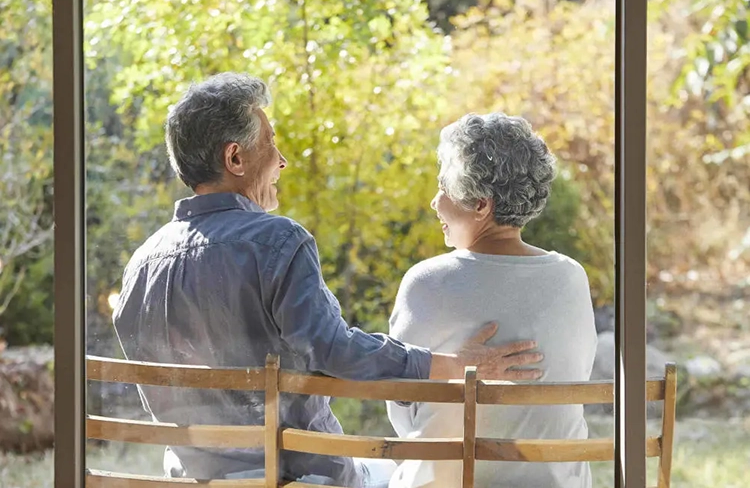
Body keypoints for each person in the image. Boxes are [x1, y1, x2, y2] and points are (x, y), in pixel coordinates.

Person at [111, 72, 545, 487]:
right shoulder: (277, 240)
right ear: (235, 158)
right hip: (296, 477)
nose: (281, 161)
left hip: (189, 479)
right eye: (271, 144)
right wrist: (454, 366)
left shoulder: (141, 264)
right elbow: (333, 349)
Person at [386, 113, 598, 488]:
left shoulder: (427, 282)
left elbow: (402, 408)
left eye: (443, 188)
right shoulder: (571, 277)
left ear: (481, 205)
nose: (435, 203)